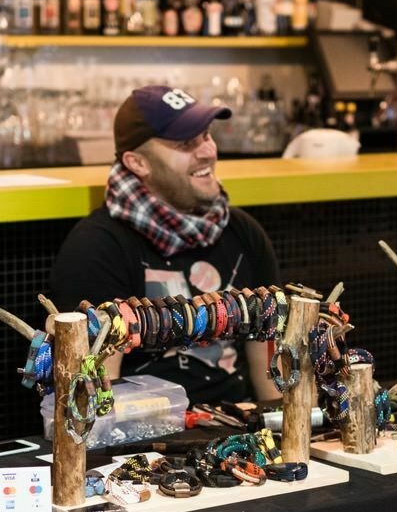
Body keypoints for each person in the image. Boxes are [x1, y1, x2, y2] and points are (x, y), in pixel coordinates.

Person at [50, 84, 283, 407]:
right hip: (143, 443)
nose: (208, 151)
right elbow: (95, 403)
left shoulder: (243, 232)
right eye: (187, 143)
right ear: (137, 162)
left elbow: (274, 378)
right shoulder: (98, 246)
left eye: (207, 136)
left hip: (241, 432)